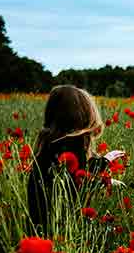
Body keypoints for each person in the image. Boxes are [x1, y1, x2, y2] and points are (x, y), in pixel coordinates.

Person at [27, 85, 125, 230]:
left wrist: (104, 168)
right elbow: (77, 184)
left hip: (38, 224)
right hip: (59, 226)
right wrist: (104, 169)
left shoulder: (49, 143)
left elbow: (75, 173)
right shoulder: (72, 146)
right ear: (82, 116)